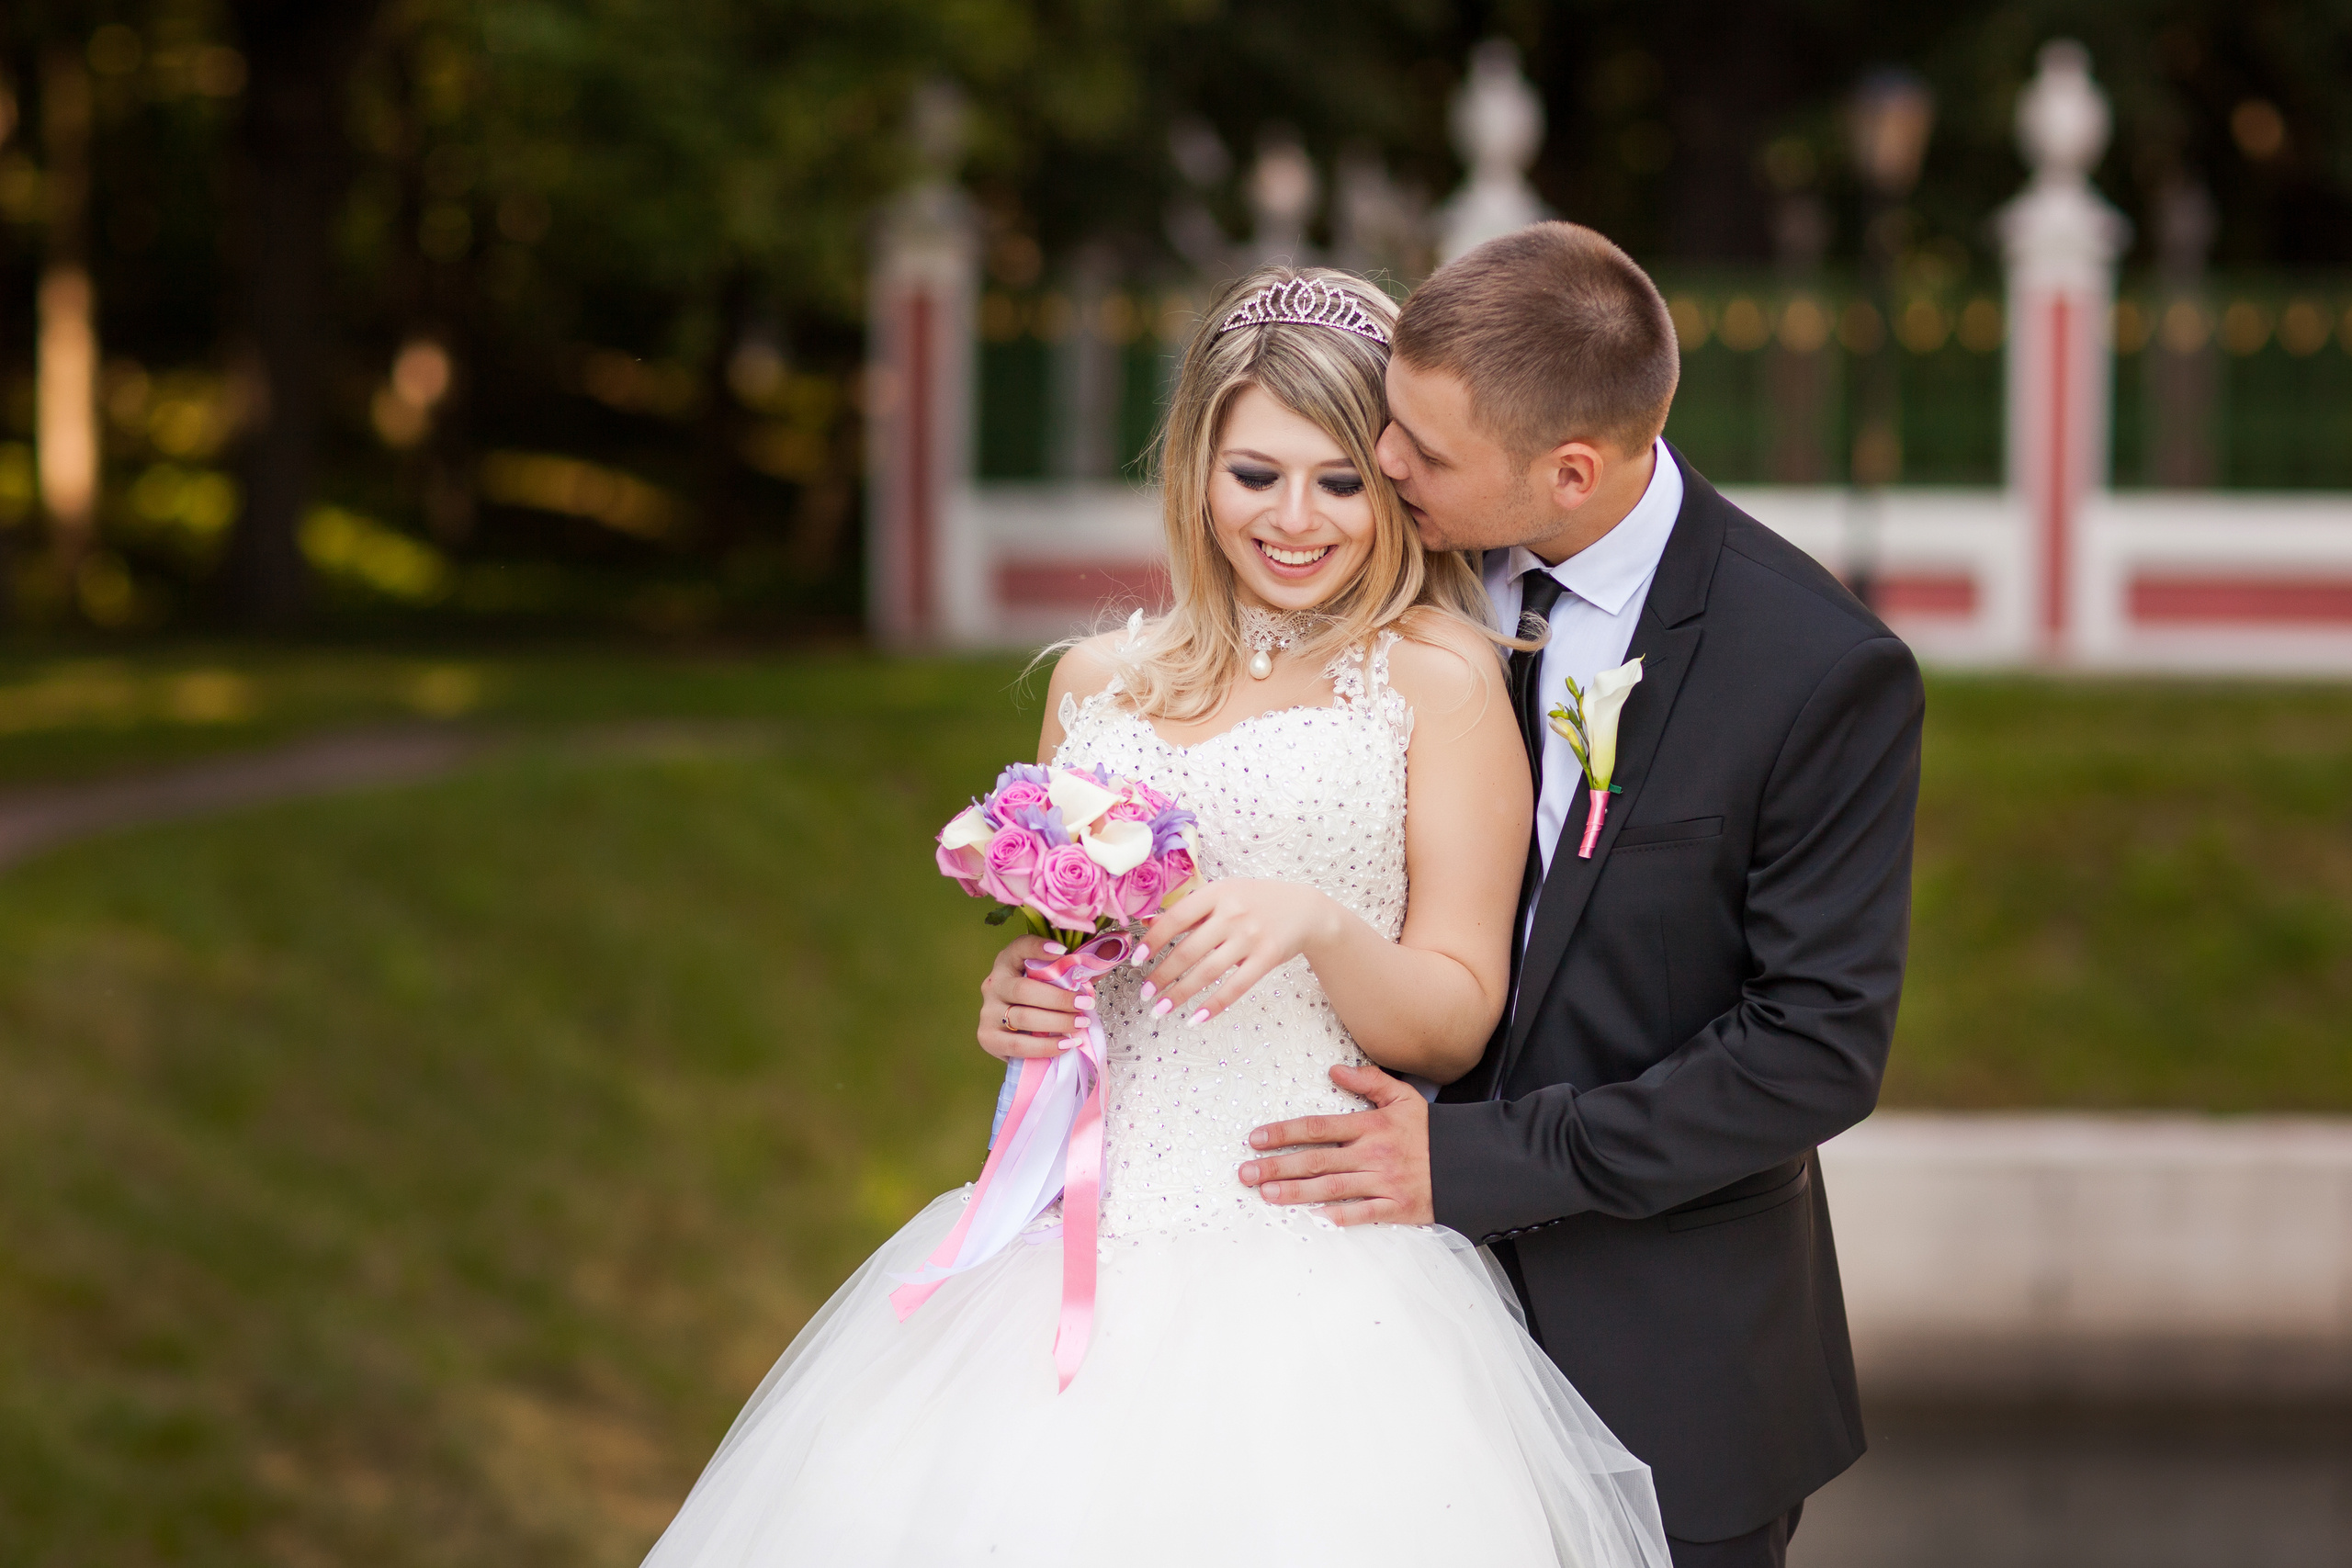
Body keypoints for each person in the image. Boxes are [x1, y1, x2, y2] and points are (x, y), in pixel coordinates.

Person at [636, 265, 1672, 1568]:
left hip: (1319, 1258)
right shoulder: (1095, 683)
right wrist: (1026, 996)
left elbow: (1460, 1020)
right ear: (1194, 469)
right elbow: (1084, 964)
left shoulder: (1438, 677)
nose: (1296, 520)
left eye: (1342, 481)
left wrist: (1319, 924)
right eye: (1255, 476)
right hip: (1079, 1249)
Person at [1235, 222, 1926, 1568]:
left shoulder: (1816, 671)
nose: (1381, 468)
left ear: (1571, 470)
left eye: (1423, 454)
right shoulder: (1389, 573)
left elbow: (1814, 1052)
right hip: (1355, 1339)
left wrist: (1480, 1163)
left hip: (1672, 1365)